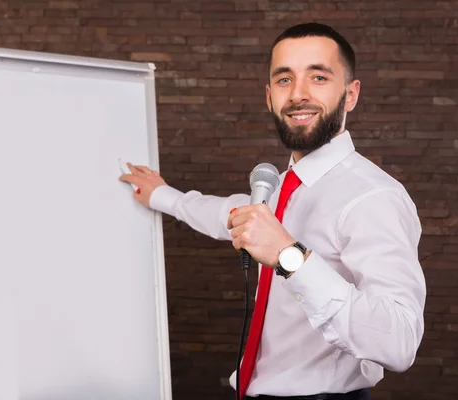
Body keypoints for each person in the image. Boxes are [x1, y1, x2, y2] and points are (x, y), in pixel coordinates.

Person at [120, 22, 426, 400]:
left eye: (318, 77)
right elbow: (223, 213)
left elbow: (399, 341)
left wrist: (288, 257)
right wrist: (161, 195)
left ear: (350, 94)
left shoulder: (373, 197)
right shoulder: (279, 187)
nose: (298, 94)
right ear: (269, 96)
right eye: (284, 80)